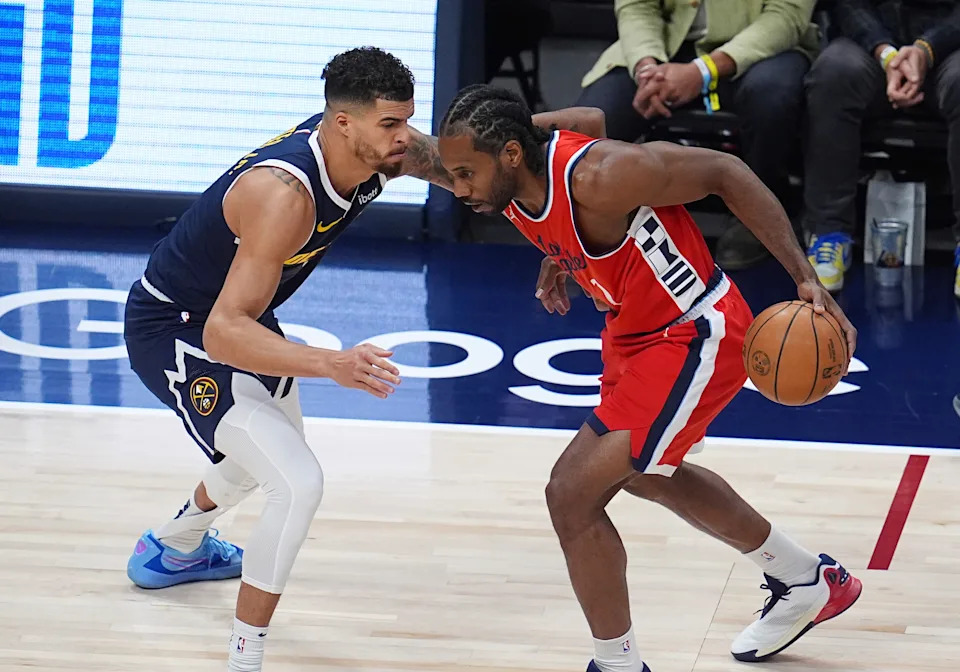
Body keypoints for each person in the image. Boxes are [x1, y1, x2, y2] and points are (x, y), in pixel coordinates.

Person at [122, 47, 603, 671]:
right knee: (297, 482)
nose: (405, 137)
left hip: (241, 314)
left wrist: (544, 149)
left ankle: (174, 547)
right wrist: (331, 363)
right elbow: (222, 334)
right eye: (390, 125)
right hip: (180, 330)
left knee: (252, 459)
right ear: (342, 124)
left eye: (407, 120)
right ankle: (245, 655)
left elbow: (484, 156)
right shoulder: (283, 195)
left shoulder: (379, 148)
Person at [436, 84, 862, 672]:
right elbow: (587, 115)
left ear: (511, 154)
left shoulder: (606, 176)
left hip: (693, 330)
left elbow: (726, 172)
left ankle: (618, 665)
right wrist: (561, 250)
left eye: (464, 172)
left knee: (571, 493)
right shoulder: (504, 175)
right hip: (629, 331)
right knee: (647, 477)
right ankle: (806, 578)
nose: (457, 189)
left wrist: (805, 278)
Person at [575, 0, 822, 270]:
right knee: (591, 121)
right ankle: (595, 227)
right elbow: (636, 6)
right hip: (665, 46)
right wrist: (647, 68)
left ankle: (758, 216)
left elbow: (785, 16)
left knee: (772, 100)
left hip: (760, 50)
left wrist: (703, 71)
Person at [803, 0, 960, 295]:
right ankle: (829, 233)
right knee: (833, 73)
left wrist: (927, 49)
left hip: (949, 50)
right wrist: (885, 52)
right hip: (872, 48)